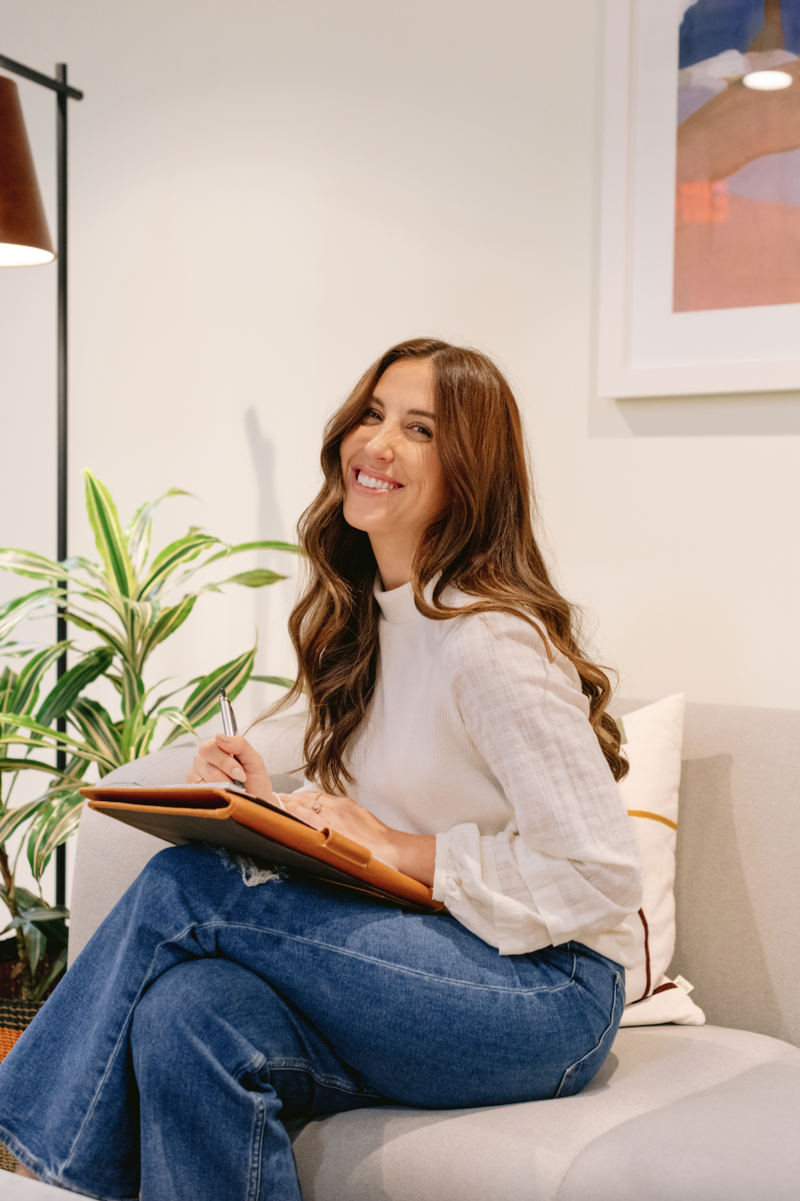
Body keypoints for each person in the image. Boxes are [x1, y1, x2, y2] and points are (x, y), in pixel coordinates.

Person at [0, 338, 642, 1200]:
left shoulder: (489, 642)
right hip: (426, 964)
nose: (376, 443)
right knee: (183, 1017)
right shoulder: (370, 620)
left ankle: (23, 1150)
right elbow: (363, 803)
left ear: (471, 471)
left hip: (545, 995)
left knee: (185, 884)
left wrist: (403, 846)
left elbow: (600, 874)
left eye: (419, 428)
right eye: (372, 414)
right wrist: (265, 796)